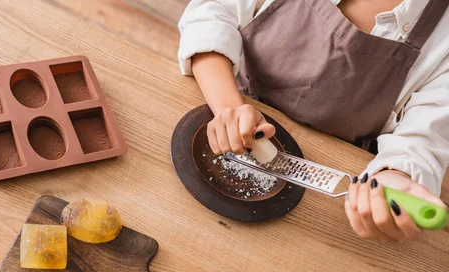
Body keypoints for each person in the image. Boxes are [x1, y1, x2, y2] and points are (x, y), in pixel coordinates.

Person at [178, 0, 449, 242]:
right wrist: (229, 106)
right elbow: (211, 11)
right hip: (219, 104)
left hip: (319, 206)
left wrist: (395, 175)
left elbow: (422, 141)